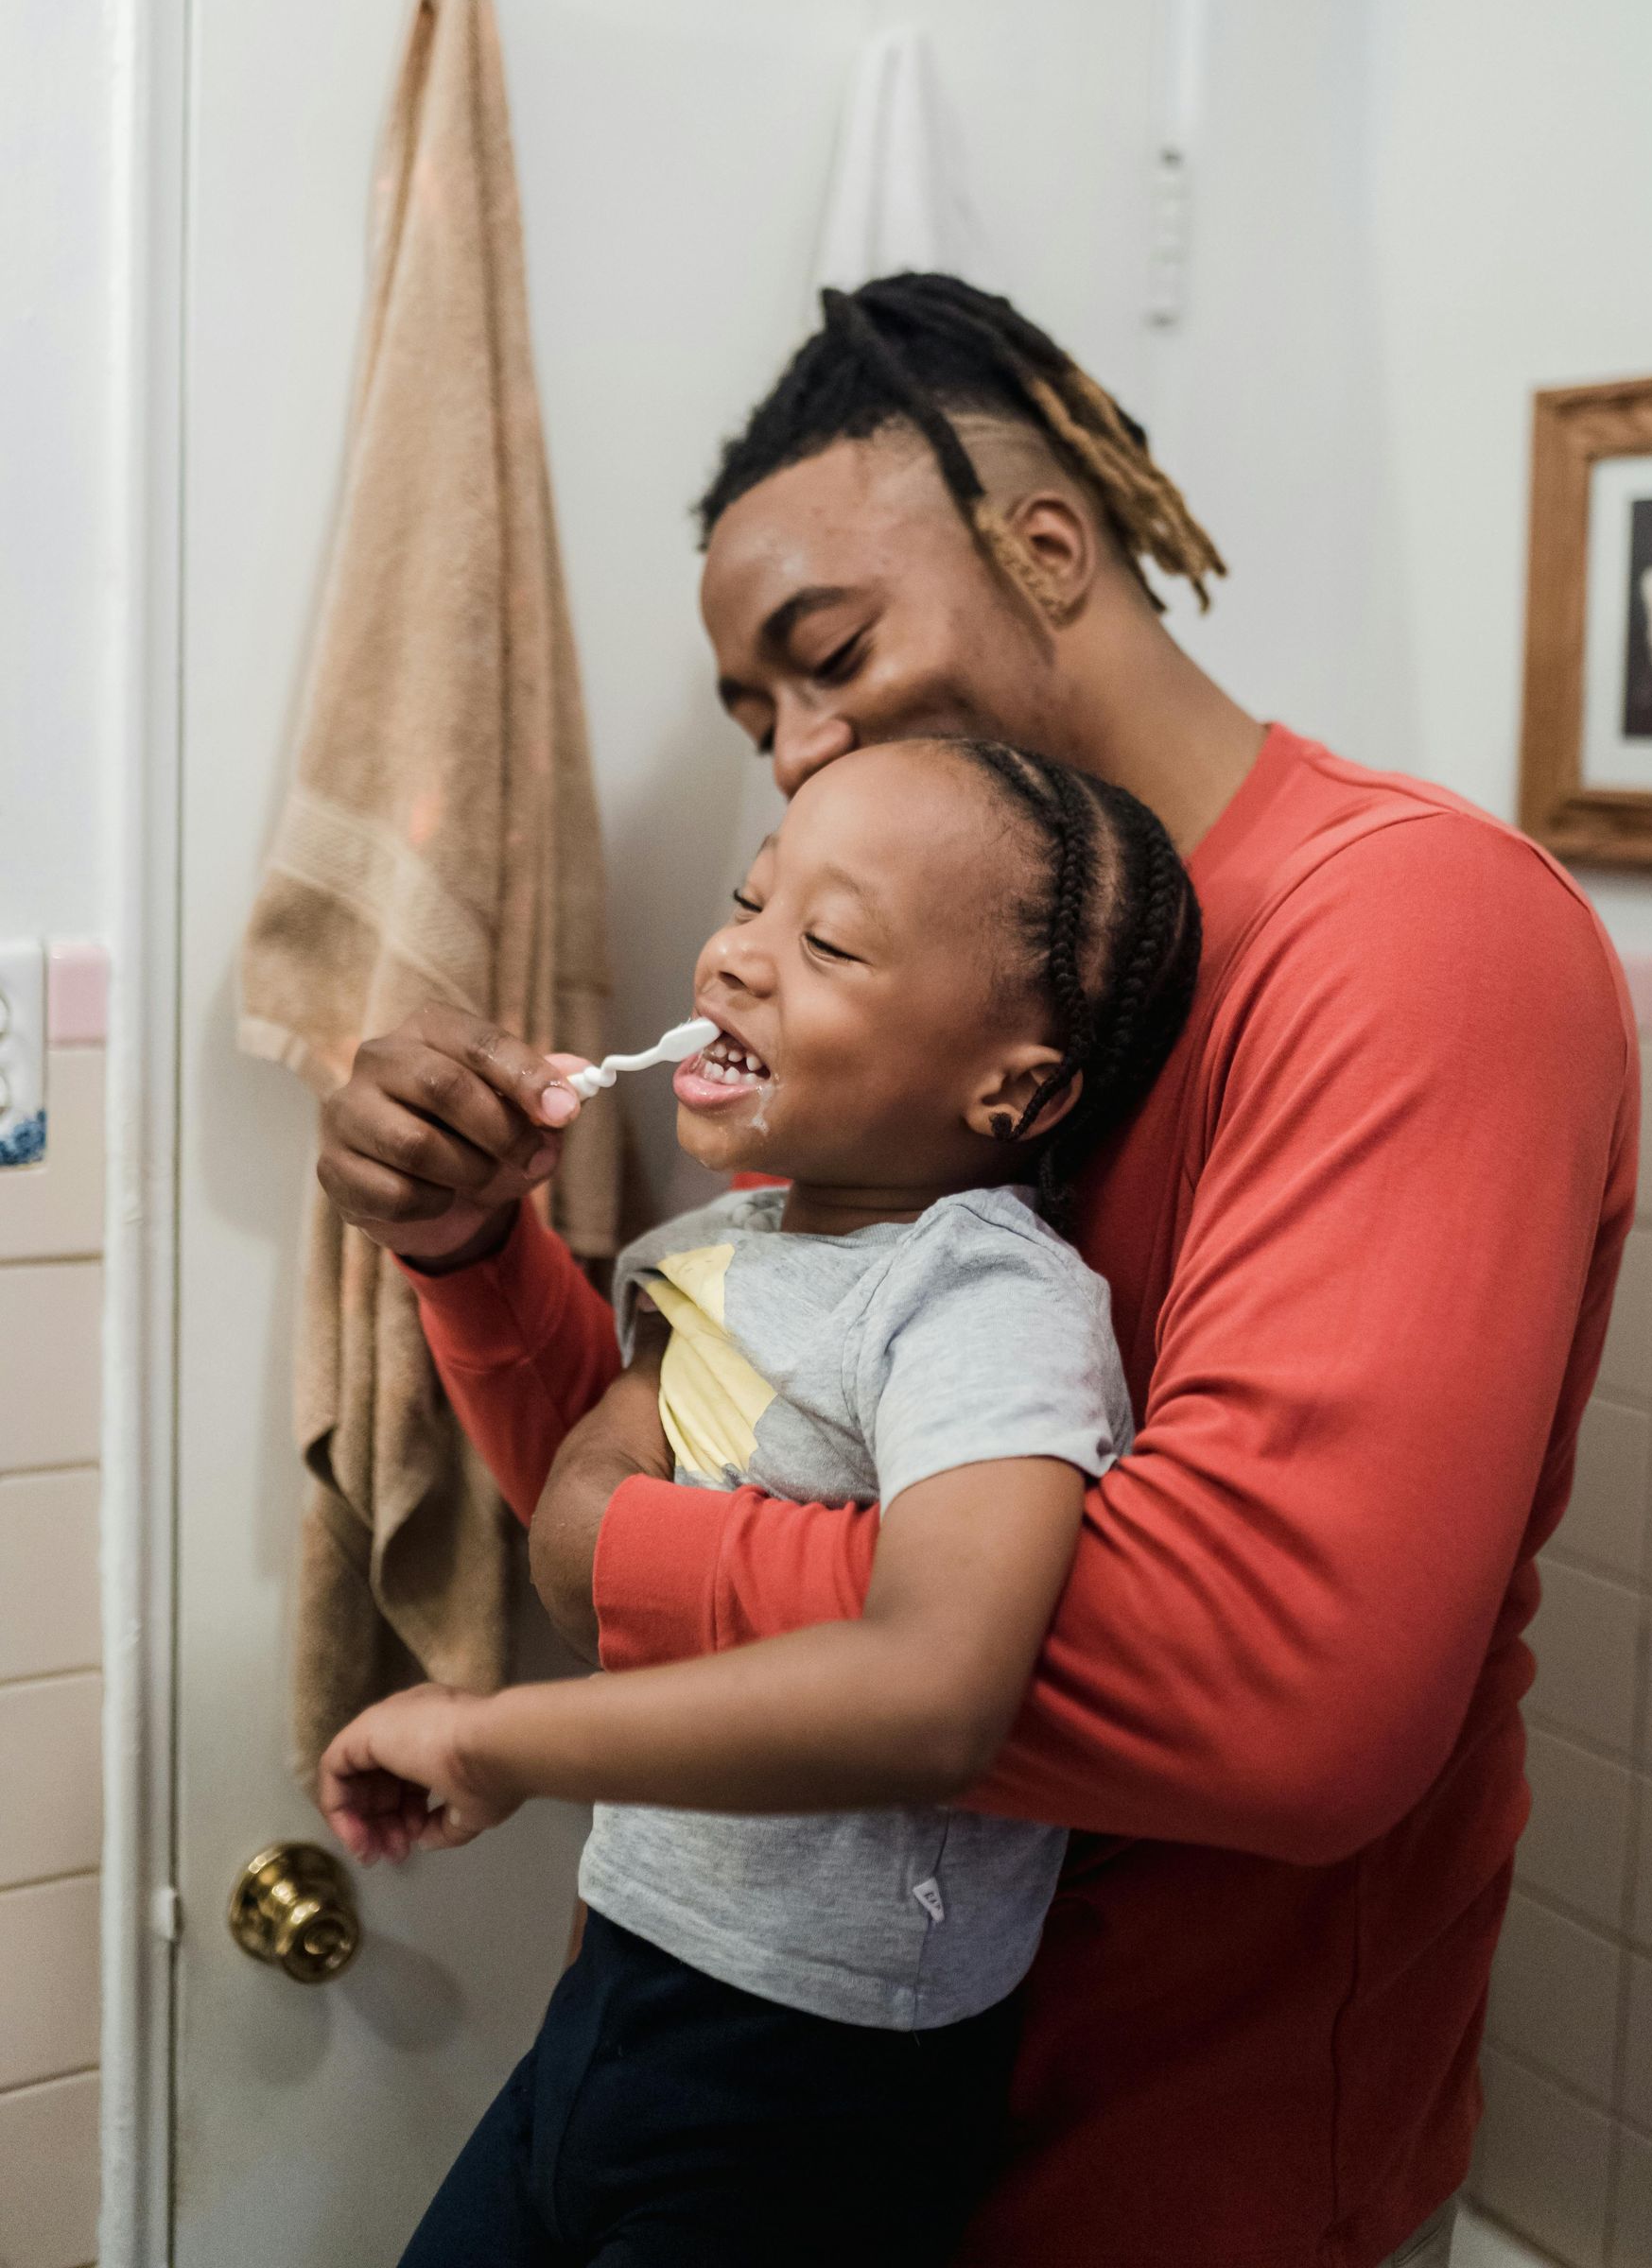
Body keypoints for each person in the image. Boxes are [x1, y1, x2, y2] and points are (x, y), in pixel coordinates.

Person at [318, 275, 1639, 2268]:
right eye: (757, 719)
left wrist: (632, 1555)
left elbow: (1282, 1702)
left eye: (827, 655)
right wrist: (472, 1251)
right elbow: (702, 1445)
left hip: (1180, 2166)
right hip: (775, 2086)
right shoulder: (921, 1010)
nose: (798, 753)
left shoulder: (1415, 938)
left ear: (1047, 546)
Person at [319, 735, 1201, 2268]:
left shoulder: (986, 1302)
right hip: (621, 1995)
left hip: (820, 2086)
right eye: (750, 901)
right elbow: (581, 1527)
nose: (734, 955)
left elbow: (938, 1694)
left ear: (1015, 1087)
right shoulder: (724, 1250)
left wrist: (487, 1737)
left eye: (829, 939)